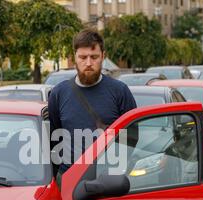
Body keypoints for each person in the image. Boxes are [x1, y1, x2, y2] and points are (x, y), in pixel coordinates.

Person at [48, 29, 137, 187]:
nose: (88, 63)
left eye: (94, 57)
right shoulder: (58, 93)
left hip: (108, 182)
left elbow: (132, 136)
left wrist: (116, 170)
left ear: (103, 56)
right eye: (83, 57)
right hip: (69, 180)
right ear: (74, 57)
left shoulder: (120, 91)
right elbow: (54, 138)